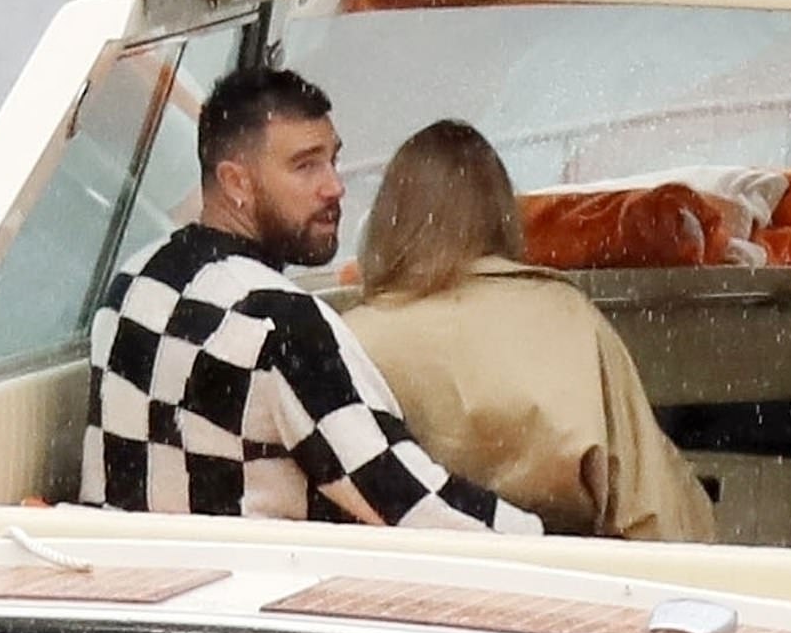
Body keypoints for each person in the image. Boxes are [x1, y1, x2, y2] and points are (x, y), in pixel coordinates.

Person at [79, 69, 543, 535]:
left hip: (139, 572)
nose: (335, 187)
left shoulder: (134, 278)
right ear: (236, 183)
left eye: (332, 160)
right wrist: (538, 537)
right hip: (253, 588)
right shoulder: (281, 322)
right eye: (305, 166)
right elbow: (407, 500)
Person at [343, 120, 715, 541]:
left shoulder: (347, 337)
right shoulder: (567, 318)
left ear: (388, 218)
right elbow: (653, 508)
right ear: (501, 213)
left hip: (388, 577)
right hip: (555, 573)